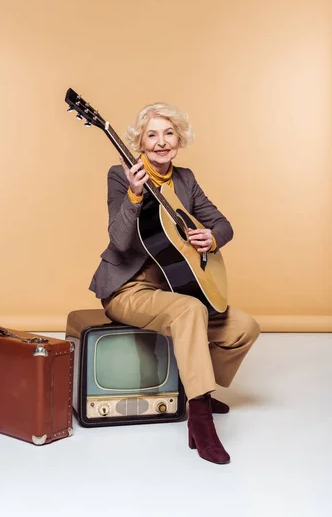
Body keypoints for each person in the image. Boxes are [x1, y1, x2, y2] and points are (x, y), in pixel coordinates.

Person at [89, 102, 260, 465]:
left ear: (179, 139)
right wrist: (135, 196)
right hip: (129, 289)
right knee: (191, 309)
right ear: (141, 141)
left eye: (168, 133)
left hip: (176, 288)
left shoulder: (185, 179)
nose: (161, 142)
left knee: (244, 327)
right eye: (152, 135)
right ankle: (200, 419)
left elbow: (223, 224)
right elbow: (119, 241)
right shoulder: (121, 175)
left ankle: (196, 385)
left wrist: (211, 239)